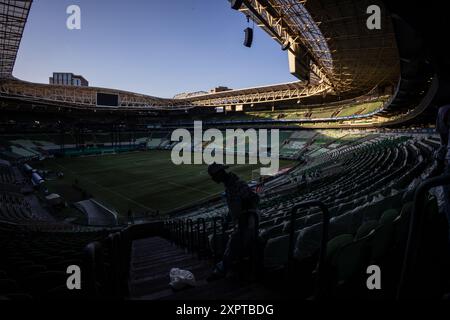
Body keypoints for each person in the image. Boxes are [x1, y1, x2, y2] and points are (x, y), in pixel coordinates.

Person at [206, 163, 260, 281]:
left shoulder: (236, 184)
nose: (213, 179)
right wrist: (228, 218)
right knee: (235, 245)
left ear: (219, 174)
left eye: (213, 176)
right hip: (243, 221)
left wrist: (244, 218)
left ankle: (222, 270)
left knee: (233, 245)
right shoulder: (230, 185)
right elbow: (236, 205)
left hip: (246, 222)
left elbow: (253, 199)